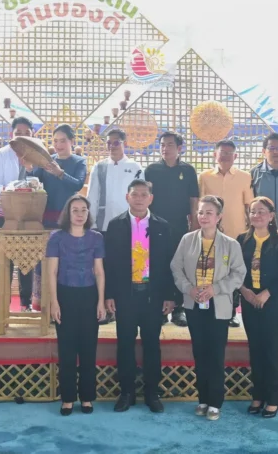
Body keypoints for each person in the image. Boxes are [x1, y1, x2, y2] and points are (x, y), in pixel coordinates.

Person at [104, 179, 177, 413]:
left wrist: (169, 295)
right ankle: (126, 393)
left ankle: (152, 393)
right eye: (134, 194)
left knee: (152, 345)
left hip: (152, 296)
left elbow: (169, 264)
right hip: (125, 295)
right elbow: (109, 264)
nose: (139, 199)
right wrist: (109, 294)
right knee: (125, 344)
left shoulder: (162, 226)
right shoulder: (115, 225)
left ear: (151, 199)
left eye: (144, 195)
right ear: (127, 197)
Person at [171, 195, 246, 422]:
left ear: (219, 217)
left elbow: (239, 274)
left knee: (215, 354)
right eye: (201, 212)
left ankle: (215, 402)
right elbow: (176, 268)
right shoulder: (187, 240)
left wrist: (216, 288)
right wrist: (189, 289)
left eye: (209, 213)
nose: (204, 217)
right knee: (200, 352)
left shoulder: (231, 244)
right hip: (194, 303)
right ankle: (202, 399)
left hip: (218, 304)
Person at [46, 194, 106, 416]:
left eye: (84, 210)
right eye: (75, 210)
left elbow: (99, 271)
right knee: (67, 349)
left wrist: (101, 301)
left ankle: (87, 397)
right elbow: (52, 272)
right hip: (65, 295)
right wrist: (54, 302)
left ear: (88, 214)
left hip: (89, 295)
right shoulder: (56, 238)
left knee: (89, 349)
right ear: (68, 213)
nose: (80, 214)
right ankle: (68, 398)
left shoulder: (96, 238)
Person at [237, 197, 278, 419]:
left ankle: (273, 398)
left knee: (271, 351)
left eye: (261, 211)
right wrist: (244, 291)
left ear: (271, 216)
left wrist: (267, 293)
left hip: (272, 302)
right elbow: (235, 270)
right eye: (253, 211)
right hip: (249, 301)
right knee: (255, 350)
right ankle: (258, 395)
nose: (257, 215)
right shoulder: (242, 240)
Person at [29, 123, 88, 312]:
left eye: (63, 141)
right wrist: (30, 167)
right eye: (55, 141)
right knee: (45, 260)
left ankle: (67, 305)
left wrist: (59, 173)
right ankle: (44, 306)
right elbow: (34, 179)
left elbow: (77, 184)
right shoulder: (48, 160)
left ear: (72, 141)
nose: (58, 145)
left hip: (68, 220)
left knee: (67, 260)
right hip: (46, 218)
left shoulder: (79, 161)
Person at [144, 130, 199, 327]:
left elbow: (194, 199)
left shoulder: (188, 170)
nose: (165, 148)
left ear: (179, 148)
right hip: (156, 225)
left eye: (169, 145)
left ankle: (178, 309)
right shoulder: (151, 170)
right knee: (158, 265)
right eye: (162, 145)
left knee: (179, 266)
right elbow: (145, 197)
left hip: (179, 225)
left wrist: (194, 224)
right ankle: (158, 308)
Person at [198, 139, 254, 327]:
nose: (226, 156)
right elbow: (200, 205)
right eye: (222, 152)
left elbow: (249, 206)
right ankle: (211, 307)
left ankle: (231, 311)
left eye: (230, 153)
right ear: (215, 154)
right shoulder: (204, 177)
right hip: (212, 234)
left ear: (235, 156)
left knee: (234, 271)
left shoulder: (245, 177)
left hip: (237, 232)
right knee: (214, 271)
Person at [0, 117, 38, 310]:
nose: (22, 136)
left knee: (27, 261)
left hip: (30, 216)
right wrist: (12, 193)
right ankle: (3, 305)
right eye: (18, 133)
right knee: (5, 262)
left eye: (27, 133)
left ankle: (26, 304)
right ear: (12, 134)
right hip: (6, 214)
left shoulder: (39, 155)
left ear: (32, 134)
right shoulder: (0, 155)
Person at [87, 128, 144, 233]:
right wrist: (92, 224)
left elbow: (141, 198)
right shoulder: (99, 167)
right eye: (109, 143)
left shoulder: (135, 167)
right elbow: (92, 197)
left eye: (116, 143)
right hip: (103, 224)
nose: (112, 146)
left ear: (125, 143)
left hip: (129, 224)